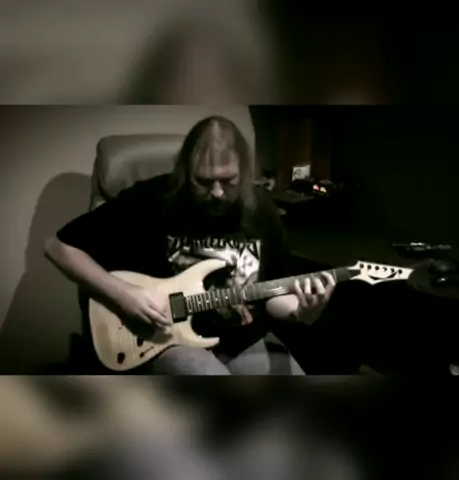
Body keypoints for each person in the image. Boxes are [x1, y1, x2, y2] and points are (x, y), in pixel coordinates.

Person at [44, 116, 336, 375]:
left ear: (244, 171)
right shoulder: (152, 200)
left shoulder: (262, 212)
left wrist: (301, 306)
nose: (217, 192)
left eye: (228, 180)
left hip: (244, 341)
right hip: (167, 341)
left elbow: (272, 298)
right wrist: (124, 295)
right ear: (185, 170)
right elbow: (58, 247)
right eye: (203, 181)